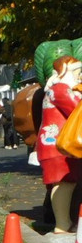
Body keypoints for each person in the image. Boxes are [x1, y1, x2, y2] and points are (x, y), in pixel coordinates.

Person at [36, 56, 82, 233]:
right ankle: (62, 224)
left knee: (64, 182)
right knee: (63, 182)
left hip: (55, 143)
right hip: (58, 144)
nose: (80, 77)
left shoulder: (56, 89)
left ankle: (64, 222)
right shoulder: (61, 89)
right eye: (77, 73)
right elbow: (75, 107)